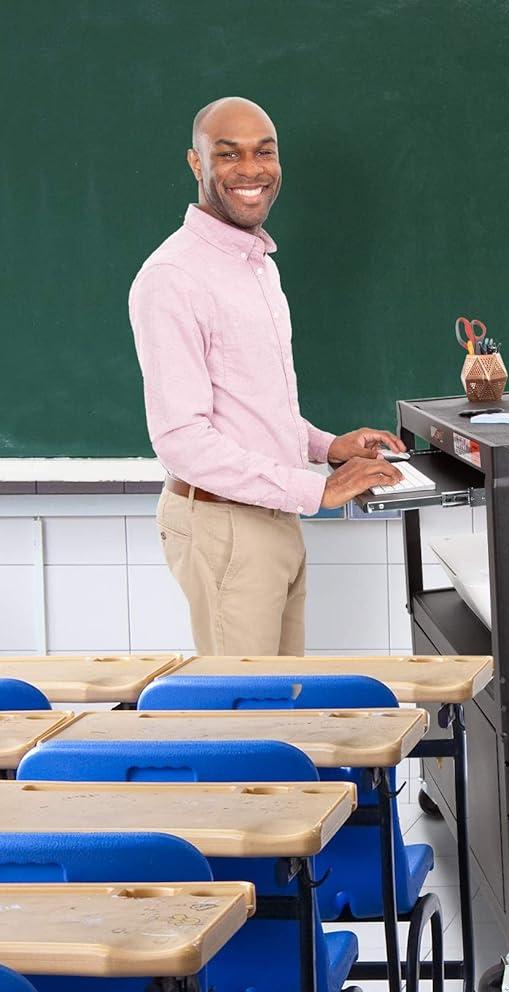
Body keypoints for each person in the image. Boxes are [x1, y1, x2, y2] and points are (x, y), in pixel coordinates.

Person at [129, 96, 404, 655]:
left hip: (271, 515)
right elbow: (181, 439)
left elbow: (252, 406)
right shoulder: (172, 277)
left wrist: (329, 447)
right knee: (249, 714)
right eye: (228, 154)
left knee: (284, 701)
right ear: (196, 164)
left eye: (264, 152)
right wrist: (317, 488)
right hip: (225, 523)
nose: (251, 170)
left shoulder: (259, 267)